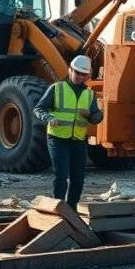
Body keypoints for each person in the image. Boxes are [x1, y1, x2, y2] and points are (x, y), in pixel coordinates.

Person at [34, 55, 103, 209]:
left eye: (82, 74)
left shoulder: (89, 94)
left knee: (78, 179)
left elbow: (97, 116)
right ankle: (58, 209)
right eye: (76, 72)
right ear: (70, 70)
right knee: (61, 176)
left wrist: (93, 115)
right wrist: (49, 117)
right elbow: (39, 108)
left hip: (78, 140)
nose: (78, 76)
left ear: (87, 75)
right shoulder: (57, 88)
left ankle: (71, 210)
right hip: (57, 138)